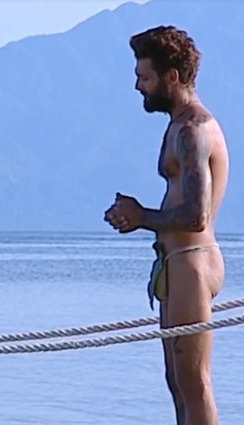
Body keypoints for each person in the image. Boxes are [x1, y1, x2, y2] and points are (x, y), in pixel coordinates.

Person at [104, 25, 229, 425]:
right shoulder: (177, 125)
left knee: (194, 381)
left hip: (193, 263)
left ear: (170, 77)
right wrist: (136, 217)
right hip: (174, 264)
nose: (138, 86)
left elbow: (196, 215)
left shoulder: (194, 130)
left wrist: (142, 217)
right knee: (176, 380)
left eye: (144, 77)